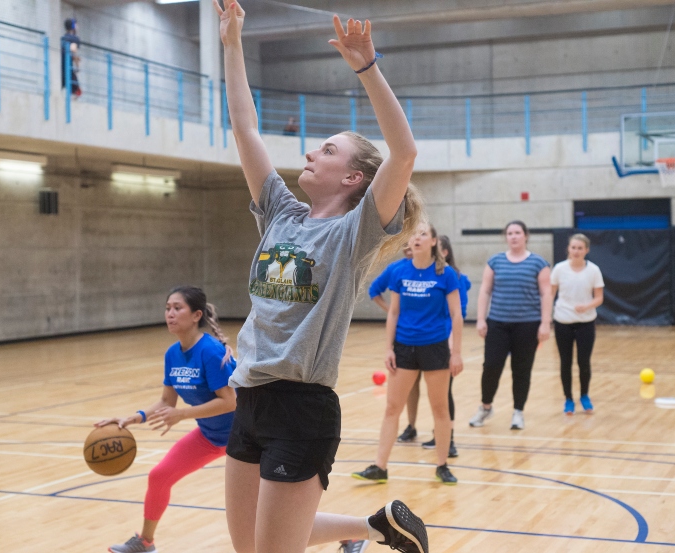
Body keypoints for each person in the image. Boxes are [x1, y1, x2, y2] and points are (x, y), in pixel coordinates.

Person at [215, 2, 428, 553]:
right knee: (251, 547)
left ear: (354, 176)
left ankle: (370, 529)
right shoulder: (281, 213)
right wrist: (232, 42)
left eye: (327, 150)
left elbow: (403, 152)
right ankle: (373, 526)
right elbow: (244, 127)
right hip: (249, 398)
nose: (311, 152)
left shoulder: (356, 232)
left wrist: (367, 67)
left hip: (301, 408)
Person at [97, 286, 237, 553]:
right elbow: (166, 401)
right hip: (211, 436)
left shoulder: (210, 351)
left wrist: (182, 414)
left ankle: (341, 533)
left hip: (247, 437)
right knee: (160, 476)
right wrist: (134, 418)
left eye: (177, 308)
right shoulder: (172, 354)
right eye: (167, 308)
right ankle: (145, 542)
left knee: (262, 504)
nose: (170, 314)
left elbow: (230, 401)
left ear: (196, 315)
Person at [352, 223, 463, 485]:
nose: (416, 238)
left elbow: (457, 315)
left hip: (435, 347)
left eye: (423, 234)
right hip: (404, 346)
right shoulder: (399, 270)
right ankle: (380, 467)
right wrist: (388, 348)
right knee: (392, 408)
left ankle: (442, 465)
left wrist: (455, 353)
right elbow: (393, 312)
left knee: (440, 408)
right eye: (414, 234)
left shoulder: (445, 274)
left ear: (434, 242)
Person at [391, 235, 470, 455]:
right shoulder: (405, 273)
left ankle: (447, 441)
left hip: (441, 343)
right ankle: (428, 434)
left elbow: (458, 315)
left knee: (444, 398)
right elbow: (390, 304)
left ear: (443, 251)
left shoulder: (451, 277)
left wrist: (455, 350)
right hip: (415, 344)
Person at [469, 221, 551, 430]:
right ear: (506, 237)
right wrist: (481, 319)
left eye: (517, 232)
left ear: (526, 236)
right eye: (510, 233)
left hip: (527, 325)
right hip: (497, 323)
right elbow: (485, 291)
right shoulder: (495, 261)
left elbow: (546, 294)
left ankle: (518, 412)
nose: (513, 236)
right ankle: (486, 407)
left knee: (521, 369)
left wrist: (545, 323)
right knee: (491, 367)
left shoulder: (538, 263)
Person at [551, 233, 604, 414]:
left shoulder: (593, 270)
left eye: (580, 248)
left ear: (586, 250)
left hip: (586, 323)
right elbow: (550, 294)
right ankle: (568, 399)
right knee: (565, 362)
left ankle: (584, 396)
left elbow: (599, 298)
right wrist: (545, 318)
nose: (576, 251)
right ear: (568, 249)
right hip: (562, 321)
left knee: (584, 362)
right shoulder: (559, 269)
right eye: (573, 247)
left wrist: (587, 306)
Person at [61, 18, 82, 97]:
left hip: (61, 65)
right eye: (76, 24)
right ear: (73, 26)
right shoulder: (74, 39)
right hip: (67, 65)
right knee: (76, 90)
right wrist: (77, 66)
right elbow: (73, 51)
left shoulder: (63, 38)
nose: (77, 26)